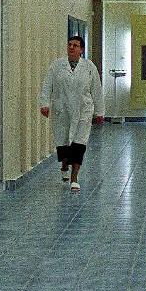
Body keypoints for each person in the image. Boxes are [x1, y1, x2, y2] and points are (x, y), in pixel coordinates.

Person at [38, 35, 104, 192]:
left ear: (81, 50)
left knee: (79, 144)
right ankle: (64, 165)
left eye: (75, 45)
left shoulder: (89, 67)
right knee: (63, 144)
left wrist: (99, 112)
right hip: (62, 110)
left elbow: (96, 90)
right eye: (69, 44)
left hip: (83, 111)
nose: (71, 47)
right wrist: (44, 104)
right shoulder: (57, 66)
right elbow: (47, 85)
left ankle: (74, 178)